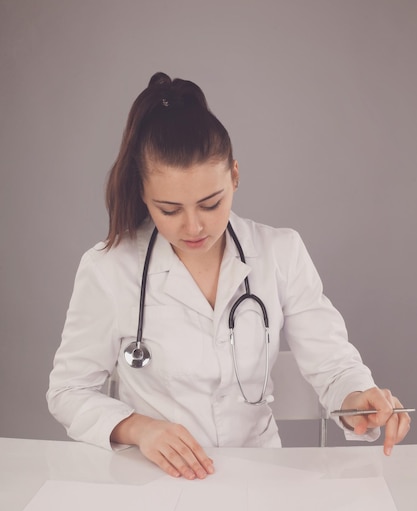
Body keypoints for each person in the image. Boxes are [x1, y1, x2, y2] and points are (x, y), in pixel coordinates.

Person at [47, 72, 411, 480]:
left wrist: (358, 398)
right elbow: (68, 391)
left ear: (234, 176)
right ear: (143, 195)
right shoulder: (109, 267)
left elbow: (332, 366)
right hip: (154, 480)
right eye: (169, 210)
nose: (193, 227)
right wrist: (141, 428)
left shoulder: (280, 252)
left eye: (210, 204)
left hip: (259, 478)